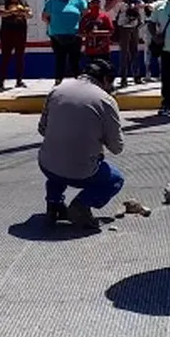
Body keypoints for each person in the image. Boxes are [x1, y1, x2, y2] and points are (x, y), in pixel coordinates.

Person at [37, 58, 125, 230]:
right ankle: (82, 205)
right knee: (115, 179)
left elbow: (42, 129)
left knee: (58, 155)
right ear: (105, 79)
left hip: (47, 165)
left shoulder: (57, 90)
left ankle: (54, 203)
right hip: (81, 172)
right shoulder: (106, 101)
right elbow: (117, 148)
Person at [41, 0, 86, 85]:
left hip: (74, 35)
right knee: (60, 60)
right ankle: (58, 81)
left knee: (74, 60)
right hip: (57, 36)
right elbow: (44, 16)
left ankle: (79, 83)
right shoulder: (52, 0)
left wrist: (80, 26)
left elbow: (85, 13)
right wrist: (54, 25)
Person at [0, 0, 31, 91]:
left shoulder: (23, 2)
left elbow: (30, 14)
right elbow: (1, 12)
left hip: (21, 32)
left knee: (20, 57)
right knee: (5, 57)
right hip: (7, 33)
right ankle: (1, 81)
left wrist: (24, 12)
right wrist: (13, 11)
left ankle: (19, 80)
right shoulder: (4, 0)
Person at [114, 0, 145, 87]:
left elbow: (141, 5)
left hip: (134, 26)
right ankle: (123, 77)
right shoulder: (123, 0)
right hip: (124, 26)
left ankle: (136, 76)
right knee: (124, 53)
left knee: (134, 52)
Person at [79, 0, 115, 69]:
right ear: (89, 4)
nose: (95, 4)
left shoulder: (105, 17)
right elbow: (80, 33)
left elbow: (111, 31)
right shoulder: (85, 18)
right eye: (93, 2)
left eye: (97, 2)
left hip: (103, 50)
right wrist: (88, 34)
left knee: (105, 69)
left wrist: (98, 33)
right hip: (90, 50)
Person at [142, 0, 164, 81]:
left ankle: (161, 72)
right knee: (148, 48)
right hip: (148, 24)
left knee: (161, 48)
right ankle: (147, 72)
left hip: (159, 25)